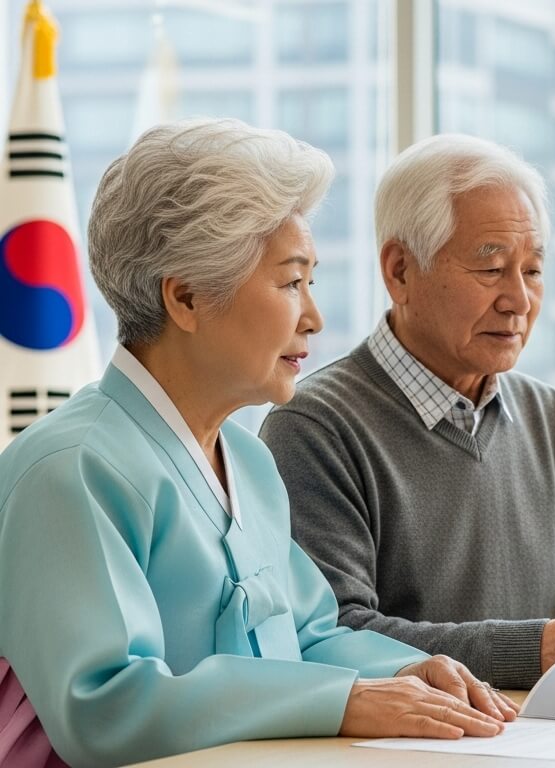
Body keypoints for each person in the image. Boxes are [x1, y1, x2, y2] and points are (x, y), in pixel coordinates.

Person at [0, 119, 517, 768]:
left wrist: (410, 670)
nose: (314, 318)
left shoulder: (248, 462)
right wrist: (341, 701)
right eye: (291, 283)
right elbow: (103, 706)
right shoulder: (70, 471)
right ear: (186, 297)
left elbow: (308, 636)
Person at [259, 134, 555, 690]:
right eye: (491, 269)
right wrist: (534, 649)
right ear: (400, 271)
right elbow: (336, 634)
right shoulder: (314, 427)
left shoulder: (548, 417)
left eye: (532, 271)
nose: (518, 301)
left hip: (531, 730)